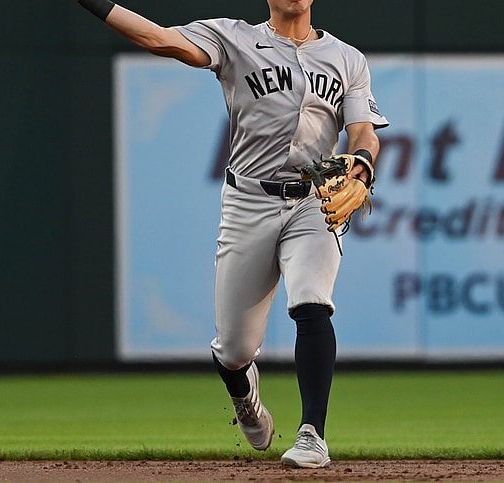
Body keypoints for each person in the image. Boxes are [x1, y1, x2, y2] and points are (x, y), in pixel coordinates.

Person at [76, 0, 388, 468]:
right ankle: (244, 393)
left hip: (312, 198)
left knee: (312, 300)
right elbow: (158, 38)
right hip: (248, 202)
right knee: (235, 347)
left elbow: (364, 132)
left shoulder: (347, 58)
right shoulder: (233, 37)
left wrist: (362, 167)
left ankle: (312, 435)